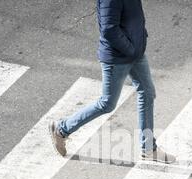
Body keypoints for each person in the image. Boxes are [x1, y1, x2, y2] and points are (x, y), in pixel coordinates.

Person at [49, 0, 176, 164]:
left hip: (134, 53)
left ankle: (148, 149)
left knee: (147, 92)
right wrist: (131, 49)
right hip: (117, 59)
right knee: (107, 103)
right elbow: (109, 29)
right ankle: (61, 129)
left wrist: (139, 40)